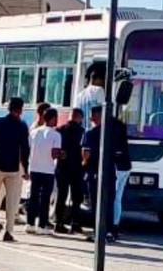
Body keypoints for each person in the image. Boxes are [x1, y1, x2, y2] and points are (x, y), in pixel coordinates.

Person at [82, 104, 131, 242]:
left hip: (95, 171)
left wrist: (83, 164)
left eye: (92, 116)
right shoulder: (116, 129)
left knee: (96, 203)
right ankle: (109, 231)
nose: (91, 119)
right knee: (110, 201)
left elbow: (86, 153)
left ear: (97, 116)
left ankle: (98, 232)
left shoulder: (91, 133)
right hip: (111, 171)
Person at [0, 97, 29, 242]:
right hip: (13, 168)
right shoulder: (22, 126)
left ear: (8, 108)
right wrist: (26, 169)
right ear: (20, 110)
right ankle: (8, 232)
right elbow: (25, 149)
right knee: (11, 201)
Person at [25, 107, 62, 234]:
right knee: (45, 199)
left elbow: (28, 149)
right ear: (53, 119)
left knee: (33, 197)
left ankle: (30, 224)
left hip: (34, 168)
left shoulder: (34, 132)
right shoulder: (56, 135)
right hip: (48, 170)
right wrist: (62, 155)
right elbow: (54, 154)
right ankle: (41, 225)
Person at [54, 107, 86, 234]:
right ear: (80, 118)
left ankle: (59, 222)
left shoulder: (60, 130)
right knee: (76, 198)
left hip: (62, 167)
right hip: (77, 168)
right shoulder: (82, 132)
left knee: (61, 196)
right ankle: (75, 223)